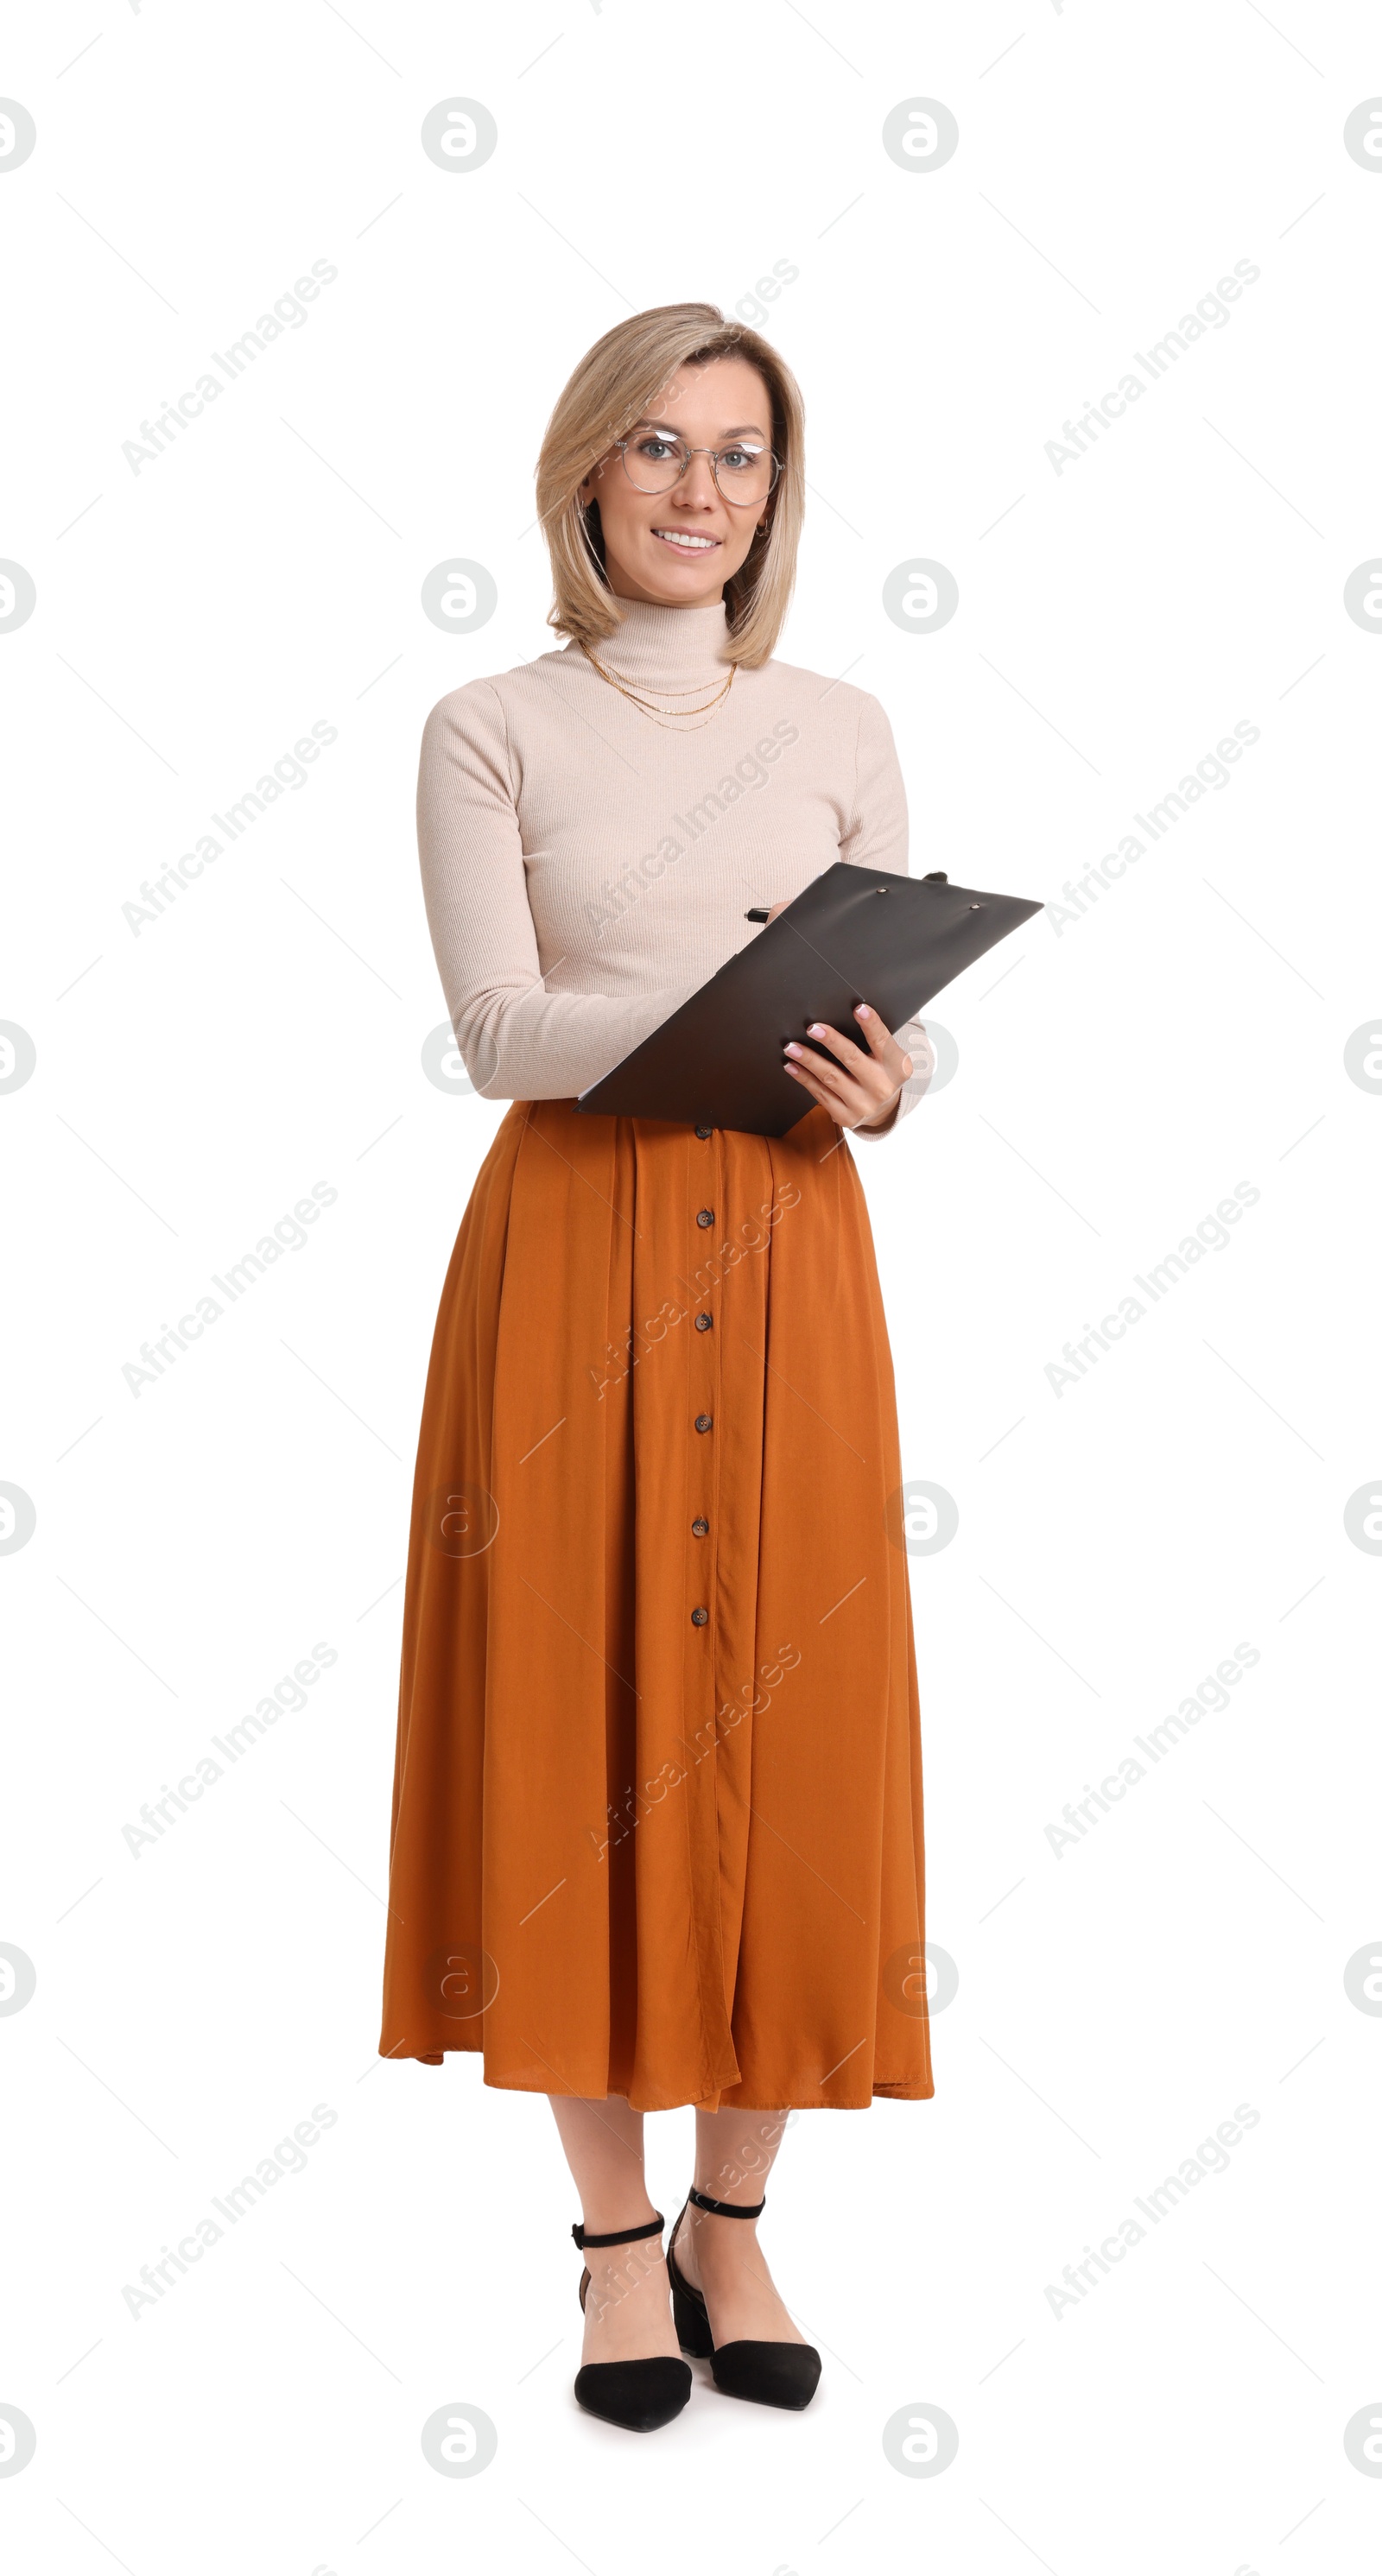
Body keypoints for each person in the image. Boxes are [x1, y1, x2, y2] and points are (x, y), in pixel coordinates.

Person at [379, 302, 935, 2432]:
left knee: (787, 1722)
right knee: (576, 1704)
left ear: (773, 492)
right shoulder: (486, 723)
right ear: (584, 474)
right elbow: (496, 1032)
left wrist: (881, 1076)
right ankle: (614, 2239)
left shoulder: (840, 718)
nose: (701, 493)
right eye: (660, 450)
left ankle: (737, 2209)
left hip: (794, 1247)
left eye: (740, 457)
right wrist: (715, 1019)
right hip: (572, 1257)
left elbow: (889, 1013)